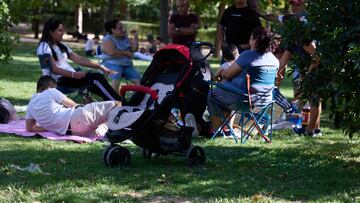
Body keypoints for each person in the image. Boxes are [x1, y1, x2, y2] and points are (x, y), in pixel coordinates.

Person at [260, 0, 322, 137]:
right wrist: (273, 73)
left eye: (298, 4)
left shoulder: (305, 32)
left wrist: (310, 73)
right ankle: (314, 129)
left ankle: (310, 131)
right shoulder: (293, 34)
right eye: (292, 5)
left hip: (311, 70)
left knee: (313, 99)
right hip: (301, 70)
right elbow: (285, 58)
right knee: (308, 100)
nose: (294, 7)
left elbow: (317, 56)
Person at [208, 27, 279, 134]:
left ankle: (217, 131)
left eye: (250, 38)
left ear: (255, 40)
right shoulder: (274, 60)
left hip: (245, 101)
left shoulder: (248, 55)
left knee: (212, 94)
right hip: (265, 102)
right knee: (229, 93)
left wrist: (220, 73)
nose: (249, 41)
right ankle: (227, 129)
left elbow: (227, 75)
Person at [37, 18, 122, 101]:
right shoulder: (44, 47)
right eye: (60, 30)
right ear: (51, 32)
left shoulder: (61, 46)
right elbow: (54, 69)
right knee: (96, 78)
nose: (63, 33)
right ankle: (118, 103)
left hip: (70, 78)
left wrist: (100, 67)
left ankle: (113, 103)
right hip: (58, 82)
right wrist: (74, 74)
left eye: (63, 30)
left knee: (96, 81)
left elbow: (80, 59)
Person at [25, 76, 122, 136]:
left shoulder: (30, 106)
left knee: (102, 122)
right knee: (117, 103)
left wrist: (50, 127)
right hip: (78, 117)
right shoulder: (51, 91)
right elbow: (74, 105)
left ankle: (111, 130)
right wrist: (87, 105)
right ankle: (122, 131)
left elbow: (29, 128)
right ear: (49, 86)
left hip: (75, 132)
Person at [100, 19, 141, 92]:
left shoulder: (125, 38)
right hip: (113, 64)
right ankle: (116, 101)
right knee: (115, 87)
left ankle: (138, 101)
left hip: (127, 65)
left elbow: (134, 49)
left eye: (123, 27)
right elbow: (111, 52)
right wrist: (126, 53)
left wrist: (135, 37)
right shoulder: (108, 39)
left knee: (140, 83)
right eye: (120, 28)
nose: (123, 30)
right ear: (113, 30)